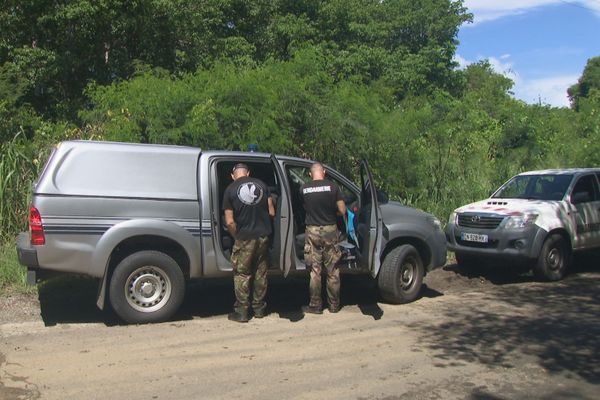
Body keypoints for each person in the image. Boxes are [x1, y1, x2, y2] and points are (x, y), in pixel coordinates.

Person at [223, 163, 275, 322]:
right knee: (260, 272)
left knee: (242, 274)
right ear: (248, 173)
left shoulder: (230, 190)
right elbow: (271, 212)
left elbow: (230, 222)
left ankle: (242, 312)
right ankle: (259, 309)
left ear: (233, 175)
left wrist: (236, 236)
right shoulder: (262, 185)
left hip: (244, 238)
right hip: (263, 237)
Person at [300, 162, 346, 314]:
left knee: (315, 270)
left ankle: (315, 305)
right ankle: (334, 305)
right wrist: (334, 215)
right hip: (330, 230)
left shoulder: (304, 189)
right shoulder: (333, 187)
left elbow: (302, 207)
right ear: (324, 172)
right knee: (332, 270)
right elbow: (342, 210)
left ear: (310, 174)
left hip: (312, 230)